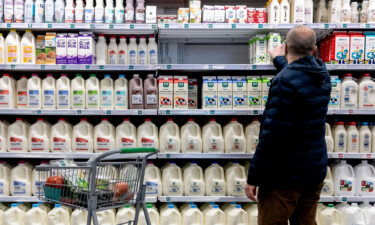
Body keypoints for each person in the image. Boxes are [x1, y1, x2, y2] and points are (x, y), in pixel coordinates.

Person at [245, 25, 332, 225]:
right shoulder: (322, 75)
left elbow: (271, 137)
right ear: (315, 50)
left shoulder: (283, 82)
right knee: (305, 221)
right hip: (314, 172)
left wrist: (253, 177)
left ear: (285, 47)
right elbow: (299, 77)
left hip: (284, 177)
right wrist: (280, 61)